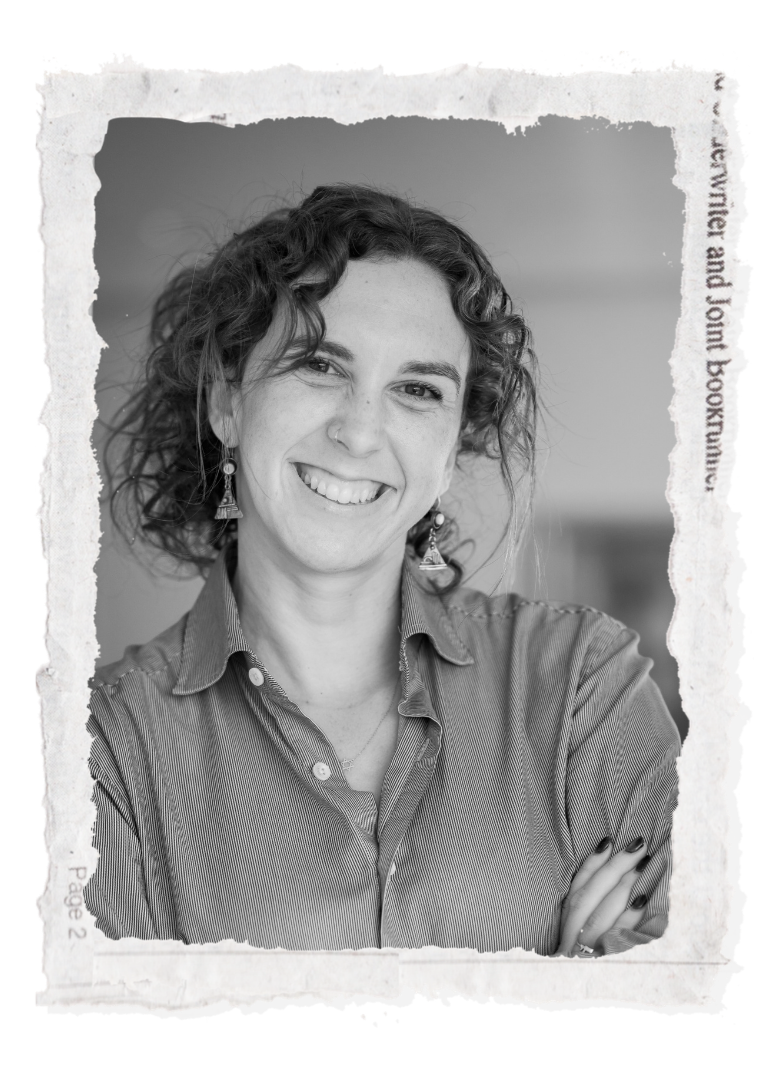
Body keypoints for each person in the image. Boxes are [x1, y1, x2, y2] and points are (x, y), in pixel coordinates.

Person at [84, 184, 681, 957]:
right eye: (318, 367)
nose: (360, 431)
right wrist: (559, 998)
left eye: (416, 390)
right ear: (228, 403)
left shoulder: (577, 685)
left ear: (450, 447)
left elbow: (693, 1006)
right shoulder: (104, 752)